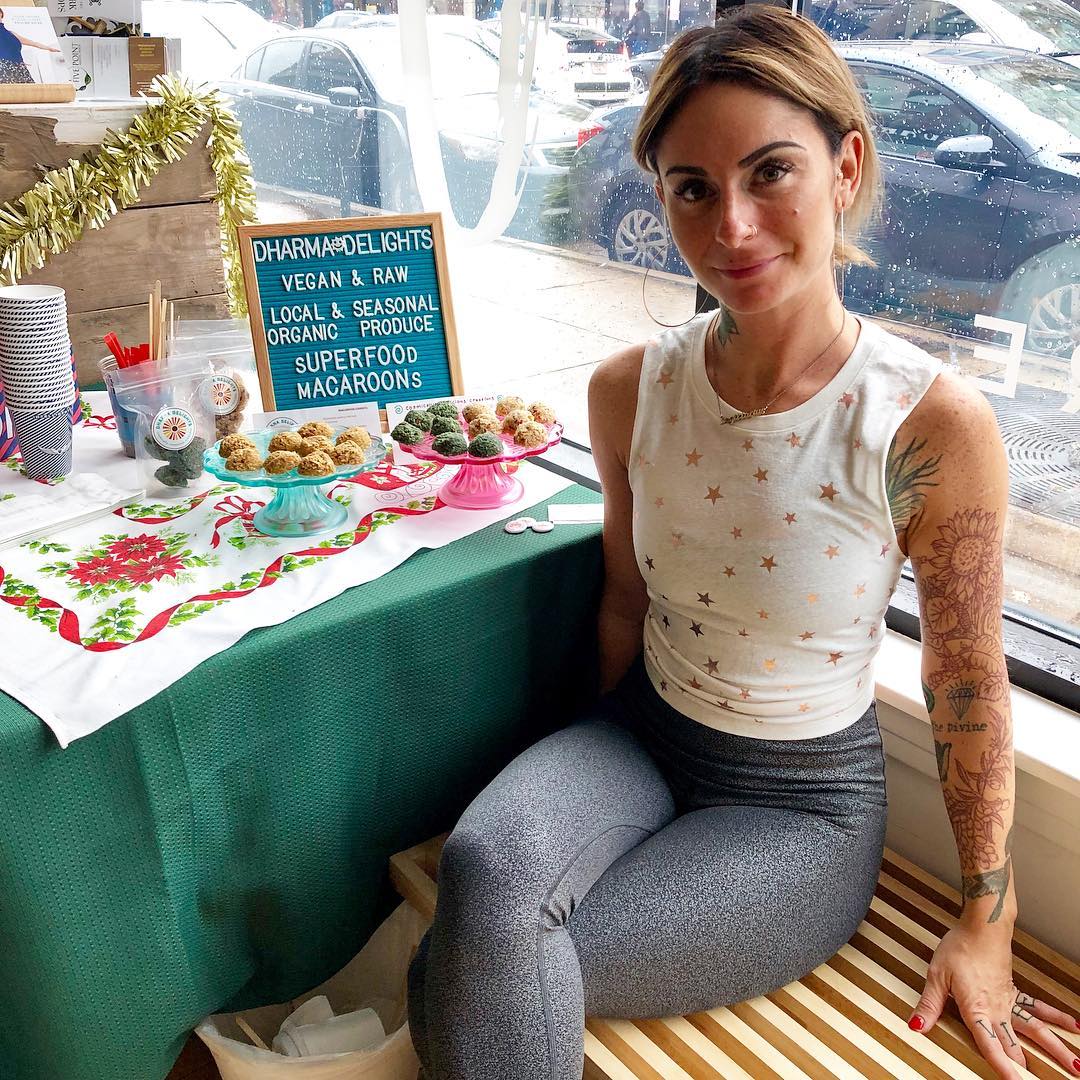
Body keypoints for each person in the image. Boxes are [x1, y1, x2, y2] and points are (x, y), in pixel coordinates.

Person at [406, 9, 1080, 1080]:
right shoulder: (630, 390)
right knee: (485, 875)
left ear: (845, 168)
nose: (733, 225)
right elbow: (625, 600)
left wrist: (986, 918)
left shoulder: (928, 424)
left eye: (771, 173)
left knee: (481, 959)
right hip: (641, 734)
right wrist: (592, 785)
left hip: (801, 807)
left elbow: (965, 678)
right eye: (693, 189)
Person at [0, 7, 61, 84]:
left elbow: (33, 43)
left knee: (30, 89)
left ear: (1, 14)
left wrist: (49, 48)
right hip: (4, 66)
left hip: (18, 66)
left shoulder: (11, 33)